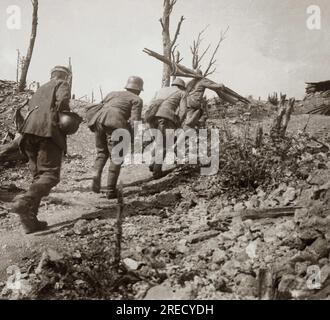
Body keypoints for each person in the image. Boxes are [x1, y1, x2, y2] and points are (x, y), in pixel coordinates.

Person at [11, 66, 72, 234]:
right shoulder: (62, 84)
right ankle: (24, 200)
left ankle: (31, 221)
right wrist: (66, 117)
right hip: (47, 132)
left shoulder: (40, 88)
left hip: (27, 133)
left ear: (51, 75)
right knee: (50, 175)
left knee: (38, 176)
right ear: (65, 76)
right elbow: (62, 102)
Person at [88, 76, 144, 198]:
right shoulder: (137, 100)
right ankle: (110, 191)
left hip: (98, 121)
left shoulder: (112, 94)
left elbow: (101, 106)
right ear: (139, 89)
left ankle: (96, 173)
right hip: (115, 124)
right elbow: (135, 121)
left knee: (102, 153)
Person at [149, 78, 187, 178]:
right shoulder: (182, 93)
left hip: (152, 119)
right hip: (165, 119)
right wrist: (179, 123)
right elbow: (183, 111)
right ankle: (157, 172)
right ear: (182, 86)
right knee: (166, 144)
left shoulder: (161, 90)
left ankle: (153, 164)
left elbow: (151, 104)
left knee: (159, 142)